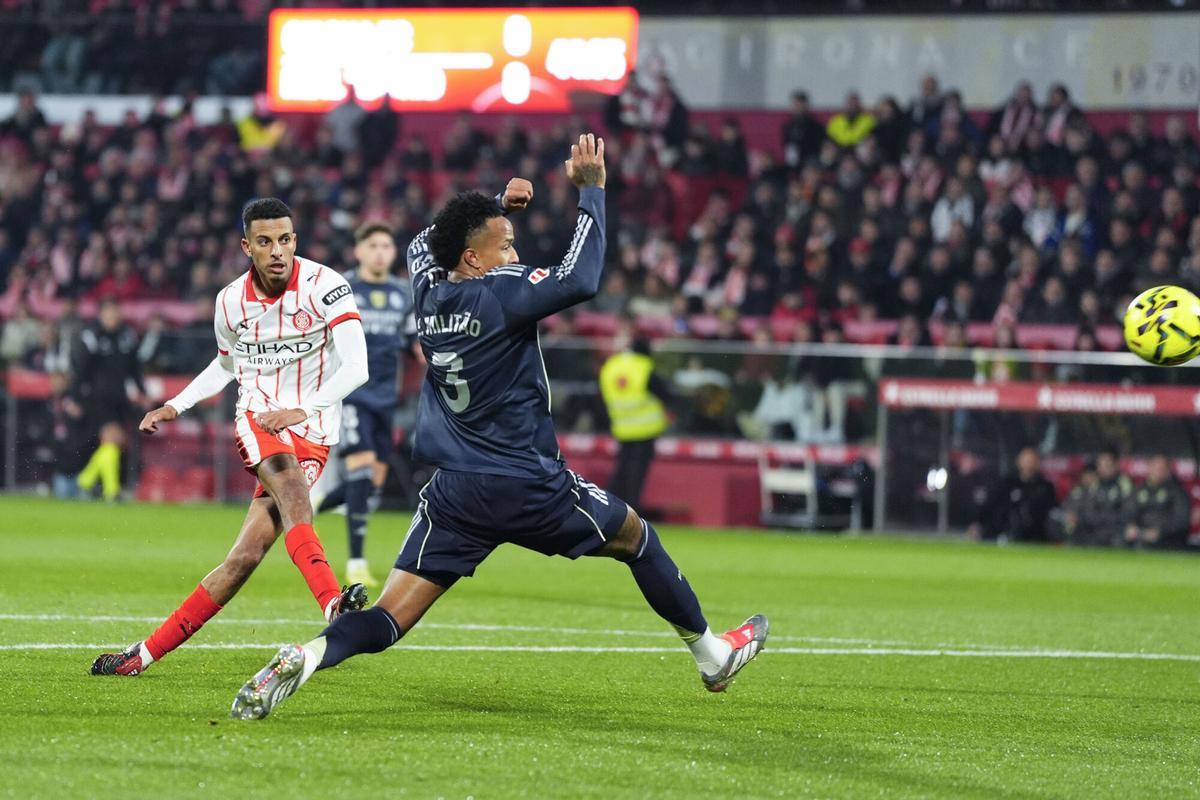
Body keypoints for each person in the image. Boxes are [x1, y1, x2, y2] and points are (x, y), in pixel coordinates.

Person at [230, 134, 768, 720]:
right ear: (473, 259)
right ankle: (712, 654)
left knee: (388, 616)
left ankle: (305, 657)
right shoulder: (502, 292)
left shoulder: (427, 287)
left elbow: (421, 242)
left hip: (454, 491)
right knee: (636, 537)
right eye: (504, 246)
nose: (514, 254)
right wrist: (592, 191)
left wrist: (492, 205)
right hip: (525, 482)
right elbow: (581, 277)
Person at [90, 198, 371, 677]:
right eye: (265, 242)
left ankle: (141, 655)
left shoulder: (327, 287)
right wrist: (177, 403)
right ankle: (333, 607)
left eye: (285, 239)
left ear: (295, 240)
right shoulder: (229, 302)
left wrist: (304, 409)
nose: (277, 250)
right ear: (247, 247)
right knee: (294, 493)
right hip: (259, 420)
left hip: (315, 428)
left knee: (243, 558)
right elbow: (226, 365)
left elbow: (358, 366)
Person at [326, 222, 416, 588]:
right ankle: (356, 562)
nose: (381, 251)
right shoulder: (342, 290)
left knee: (372, 483)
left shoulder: (403, 294)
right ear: (359, 251)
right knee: (361, 472)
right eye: (374, 245)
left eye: (387, 245)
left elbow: (413, 340)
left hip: (385, 399)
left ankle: (308, 507)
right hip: (352, 395)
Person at [71, 297, 146, 501]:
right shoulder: (91, 336)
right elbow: (80, 370)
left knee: (115, 443)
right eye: (109, 312)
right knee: (112, 439)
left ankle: (86, 481)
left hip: (119, 398)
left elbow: (134, 368)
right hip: (97, 397)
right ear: (101, 314)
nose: (113, 316)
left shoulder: (126, 337)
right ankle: (111, 491)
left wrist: (142, 391)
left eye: (116, 312)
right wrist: (74, 396)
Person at [599, 333, 669, 509]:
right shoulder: (643, 367)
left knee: (621, 471)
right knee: (636, 475)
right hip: (645, 429)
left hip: (621, 426)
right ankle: (632, 513)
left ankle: (610, 508)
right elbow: (665, 394)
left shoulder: (611, 366)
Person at [968, 447, 1057, 543]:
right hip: (1002, 532)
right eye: (1026, 460)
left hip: (1034, 536)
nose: (1029, 463)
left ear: (1037, 462)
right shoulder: (1008, 482)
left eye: (1032, 460)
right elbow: (990, 504)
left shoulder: (1045, 487)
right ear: (1018, 461)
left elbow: (1052, 510)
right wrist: (977, 522)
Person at [1126, 456, 1191, 550]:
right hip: (1140, 538)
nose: (1157, 472)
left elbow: (1182, 521)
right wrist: (1131, 526)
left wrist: (1160, 532)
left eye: (1161, 469)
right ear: (1149, 468)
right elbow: (1127, 512)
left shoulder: (1178, 492)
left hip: (1168, 541)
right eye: (1155, 468)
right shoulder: (1138, 490)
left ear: (1168, 471)